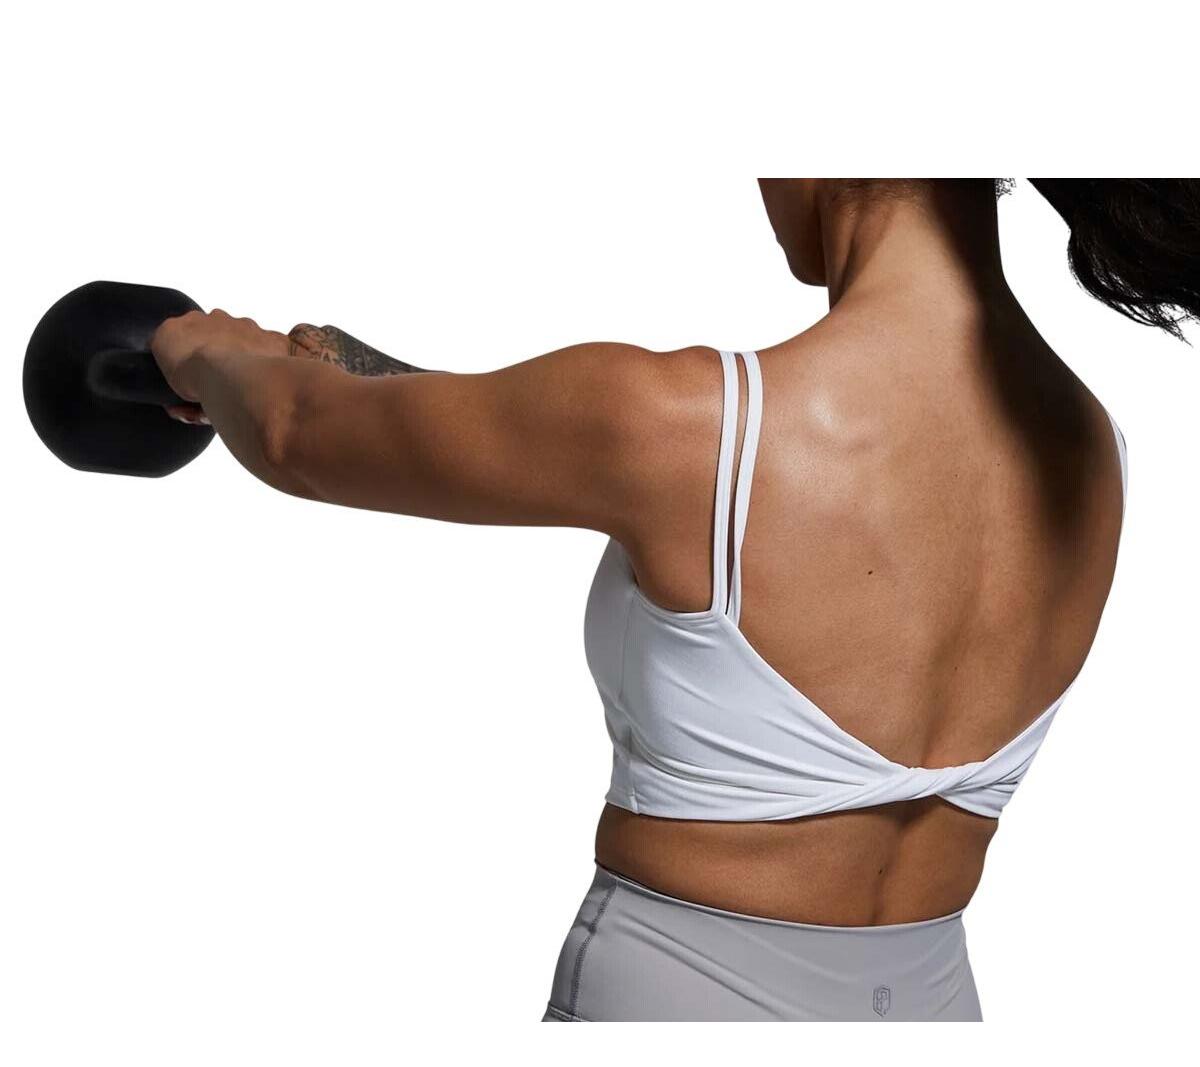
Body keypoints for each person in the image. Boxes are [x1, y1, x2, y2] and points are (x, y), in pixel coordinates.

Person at [149, 179, 1199, 1021]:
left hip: (684, 1000)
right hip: (931, 1003)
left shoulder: (688, 425)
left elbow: (295, 434)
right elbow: (536, 444)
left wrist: (206, 350)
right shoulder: (1092, 447)